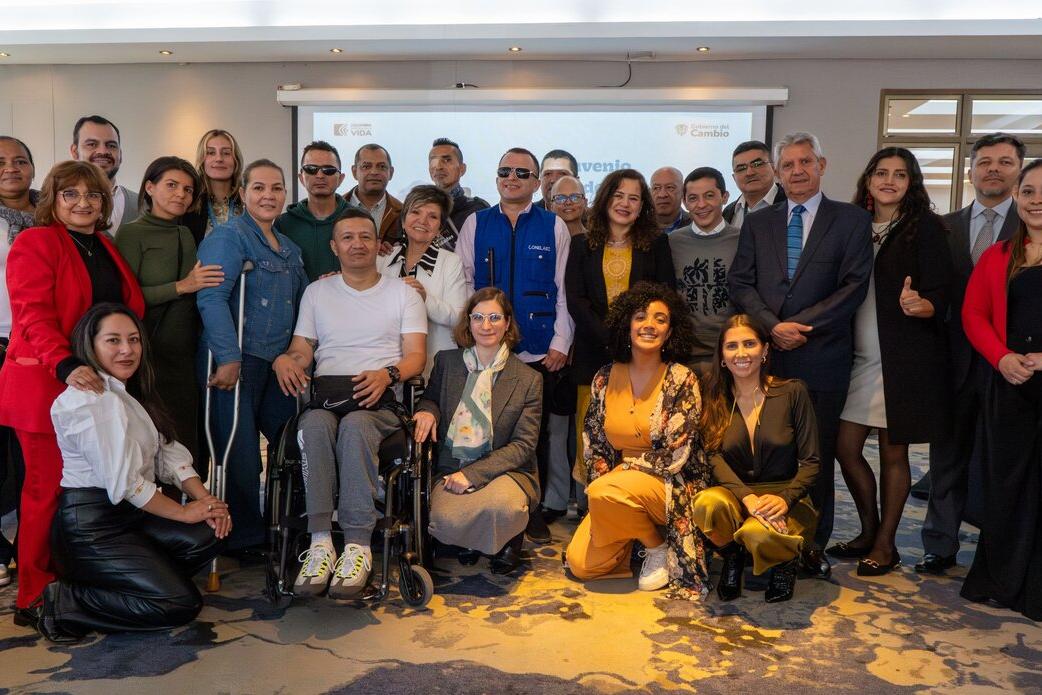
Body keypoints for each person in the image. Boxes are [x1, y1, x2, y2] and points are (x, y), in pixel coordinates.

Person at [0, 160, 144, 625]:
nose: (83, 202)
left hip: (93, 385)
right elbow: (32, 314)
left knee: (84, 489)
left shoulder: (103, 244)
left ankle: (72, 583)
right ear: (53, 200)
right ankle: (33, 596)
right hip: (46, 382)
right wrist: (65, 365)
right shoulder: (35, 242)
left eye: (93, 194)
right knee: (46, 490)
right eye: (71, 194)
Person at [34, 304, 229, 642]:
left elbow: (168, 451)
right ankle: (69, 601)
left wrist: (207, 502)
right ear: (91, 346)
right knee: (179, 604)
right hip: (93, 527)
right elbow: (124, 481)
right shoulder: (90, 399)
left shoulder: (125, 392)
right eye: (113, 340)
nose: (127, 349)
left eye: (134, 340)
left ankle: (140, 586)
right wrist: (184, 512)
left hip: (132, 516)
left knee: (211, 531)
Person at [727, 131, 873, 564]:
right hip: (767, 359)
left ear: (821, 166)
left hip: (822, 358)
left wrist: (799, 326)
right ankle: (765, 539)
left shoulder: (851, 220)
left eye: (805, 162)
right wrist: (773, 327)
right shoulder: (759, 223)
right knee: (769, 453)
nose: (797, 171)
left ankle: (812, 546)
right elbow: (741, 283)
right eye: (788, 165)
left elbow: (853, 286)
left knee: (817, 455)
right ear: (777, 172)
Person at [273, 207, 426, 598]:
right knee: (312, 425)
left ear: (377, 244)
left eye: (365, 236)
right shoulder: (317, 292)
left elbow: (416, 356)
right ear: (334, 246)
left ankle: (358, 546)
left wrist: (387, 374)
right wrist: (286, 360)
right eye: (348, 237)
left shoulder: (403, 294)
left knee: (356, 426)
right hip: (328, 397)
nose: (357, 244)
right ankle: (321, 543)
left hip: (380, 402)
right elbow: (302, 349)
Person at [828, 147, 954, 575]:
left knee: (892, 454)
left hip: (901, 360)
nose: (889, 181)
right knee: (844, 447)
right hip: (856, 357)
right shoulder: (853, 224)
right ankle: (868, 530)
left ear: (911, 182)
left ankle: (886, 545)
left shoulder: (926, 228)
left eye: (900, 174)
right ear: (868, 179)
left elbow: (943, 292)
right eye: (881, 172)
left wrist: (925, 305)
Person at [918, 133, 1024, 576]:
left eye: (1004, 162)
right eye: (984, 162)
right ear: (971, 171)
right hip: (953, 363)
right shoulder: (944, 227)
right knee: (947, 458)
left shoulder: (1031, 225)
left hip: (1012, 363)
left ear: (1019, 170)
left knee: (1007, 462)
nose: (993, 169)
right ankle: (939, 544)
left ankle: (1001, 552)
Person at [456, 147, 574, 544]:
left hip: (538, 349)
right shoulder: (476, 223)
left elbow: (563, 289)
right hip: (486, 348)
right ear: (496, 177)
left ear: (537, 182)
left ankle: (531, 507)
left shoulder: (553, 226)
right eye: (505, 171)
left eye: (522, 173)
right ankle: (484, 504)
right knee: (487, 431)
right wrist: (472, 335)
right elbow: (465, 284)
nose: (512, 178)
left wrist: (561, 341)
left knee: (534, 436)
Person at [564, 282, 709, 597]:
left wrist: (622, 474)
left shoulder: (682, 379)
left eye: (660, 319)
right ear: (626, 326)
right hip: (616, 485)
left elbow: (677, 453)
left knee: (605, 491)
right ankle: (642, 539)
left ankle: (657, 547)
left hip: (668, 483)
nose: (649, 325)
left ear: (670, 333)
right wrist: (608, 494)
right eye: (640, 317)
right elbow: (595, 446)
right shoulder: (604, 377)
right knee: (581, 565)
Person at [196, 159, 307, 552]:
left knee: (289, 443)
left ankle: (284, 524)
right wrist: (228, 358)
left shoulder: (290, 249)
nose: (268, 195)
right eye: (259, 187)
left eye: (276, 188)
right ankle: (241, 537)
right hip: (236, 359)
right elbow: (211, 299)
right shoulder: (229, 238)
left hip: (276, 363)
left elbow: (300, 307)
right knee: (239, 452)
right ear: (243, 193)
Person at [564, 168, 674, 520]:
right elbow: (575, 299)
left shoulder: (657, 244)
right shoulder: (581, 244)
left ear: (643, 206)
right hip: (592, 355)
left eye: (634, 198)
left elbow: (665, 296)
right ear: (605, 199)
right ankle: (592, 508)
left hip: (644, 357)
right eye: (618, 195)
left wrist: (634, 341)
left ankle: (633, 507)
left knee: (637, 432)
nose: (625, 204)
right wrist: (611, 338)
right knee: (591, 432)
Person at [959, 158, 1042, 621]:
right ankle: (1001, 579)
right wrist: (1002, 358)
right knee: (1005, 485)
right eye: (1028, 192)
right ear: (1016, 196)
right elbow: (974, 315)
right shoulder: (998, 255)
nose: (1036, 201)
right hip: (1009, 383)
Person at [413, 287, 542, 574]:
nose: (486, 325)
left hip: (505, 470)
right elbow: (431, 398)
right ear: (468, 322)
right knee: (444, 521)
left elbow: (523, 445)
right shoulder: (446, 362)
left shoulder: (528, 379)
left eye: (495, 317)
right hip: (453, 465)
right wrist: (427, 411)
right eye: (478, 317)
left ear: (507, 323)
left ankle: (508, 539)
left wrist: (472, 475)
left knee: (503, 508)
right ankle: (477, 539)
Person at [694, 314, 820, 602]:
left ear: (765, 350)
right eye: (732, 346)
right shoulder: (714, 396)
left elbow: (812, 462)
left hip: (784, 497)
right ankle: (732, 556)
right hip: (735, 494)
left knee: (758, 534)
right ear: (722, 356)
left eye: (749, 344)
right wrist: (746, 497)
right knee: (706, 504)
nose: (741, 353)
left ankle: (785, 562)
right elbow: (712, 456)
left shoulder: (793, 391)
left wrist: (786, 499)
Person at [116, 156, 224, 472]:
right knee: (148, 439)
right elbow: (126, 298)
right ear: (150, 187)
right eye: (172, 185)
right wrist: (181, 286)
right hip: (148, 353)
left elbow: (198, 291)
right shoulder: (131, 233)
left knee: (184, 440)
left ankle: (184, 500)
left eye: (188, 189)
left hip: (184, 354)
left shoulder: (184, 234)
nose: (181, 194)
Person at [378, 185, 467, 379]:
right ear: (403, 220)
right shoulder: (383, 258)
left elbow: (459, 319)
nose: (423, 221)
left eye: (432, 217)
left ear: (440, 228)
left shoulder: (451, 262)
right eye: (415, 212)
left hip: (434, 367)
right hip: (384, 365)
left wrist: (425, 299)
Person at [0, 135, 37, 587]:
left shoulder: (52, 212)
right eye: (1, 161)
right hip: (0, 339)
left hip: (36, 346)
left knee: (28, 456)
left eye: (20, 160)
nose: (11, 168)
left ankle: (30, 544)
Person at [669, 166, 740, 373]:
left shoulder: (743, 239)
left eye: (709, 196)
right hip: (682, 353)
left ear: (724, 197)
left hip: (731, 351)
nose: (701, 205)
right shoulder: (672, 242)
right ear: (685, 203)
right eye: (693, 198)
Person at [279, 141, 352, 281]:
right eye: (311, 169)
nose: (320, 175)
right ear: (301, 177)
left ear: (341, 178)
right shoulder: (284, 224)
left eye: (328, 170)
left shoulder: (358, 219)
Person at [69, 115, 137, 236]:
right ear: (75, 152)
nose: (103, 151)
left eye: (111, 145)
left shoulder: (143, 204)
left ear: (120, 154)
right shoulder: (61, 206)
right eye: (92, 144)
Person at [182, 129, 245, 243]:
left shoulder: (249, 201)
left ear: (236, 160)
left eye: (226, 153)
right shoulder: (189, 202)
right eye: (211, 153)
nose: (219, 159)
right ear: (202, 160)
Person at [428, 137, 489, 249]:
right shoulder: (418, 211)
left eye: (447, 160)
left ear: (462, 169)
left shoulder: (478, 210)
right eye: (433, 161)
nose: (439, 167)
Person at [723, 140, 787, 229]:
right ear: (734, 178)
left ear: (773, 168)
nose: (749, 173)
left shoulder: (791, 203)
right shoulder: (728, 212)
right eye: (741, 168)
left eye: (757, 164)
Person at [349, 144, 402, 245]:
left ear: (391, 172)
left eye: (382, 167)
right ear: (354, 172)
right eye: (366, 166)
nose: (374, 172)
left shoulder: (403, 213)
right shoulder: (336, 208)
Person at [650, 167, 689, 233]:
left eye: (670, 187)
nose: (662, 195)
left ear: (683, 192)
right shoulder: (636, 225)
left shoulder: (697, 224)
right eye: (656, 188)